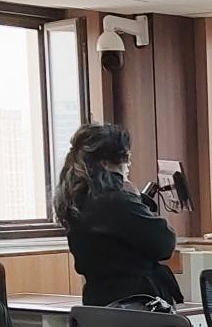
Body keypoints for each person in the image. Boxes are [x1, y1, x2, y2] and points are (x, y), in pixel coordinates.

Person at [52, 123, 184, 308]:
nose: (129, 164)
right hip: (136, 301)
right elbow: (164, 243)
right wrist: (135, 198)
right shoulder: (115, 200)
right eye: (126, 157)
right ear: (105, 163)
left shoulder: (75, 199)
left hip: (98, 300)